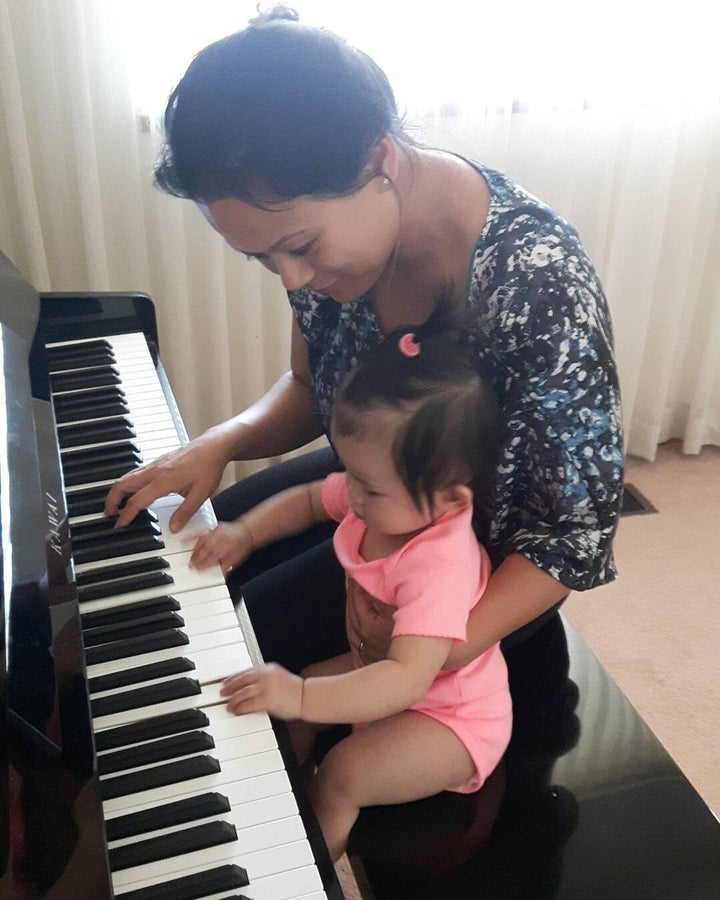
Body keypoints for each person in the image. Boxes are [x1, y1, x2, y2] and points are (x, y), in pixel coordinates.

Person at [104, 6, 623, 679]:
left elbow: (569, 540)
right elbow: (304, 387)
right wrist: (219, 443)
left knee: (238, 632)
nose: (293, 279)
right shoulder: (330, 251)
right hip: (376, 485)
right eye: (260, 258)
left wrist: (430, 655)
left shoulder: (538, 282)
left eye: (299, 247)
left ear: (378, 157)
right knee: (190, 556)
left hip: (482, 562)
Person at [188, 322, 513, 861]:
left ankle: (307, 866)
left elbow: (408, 679)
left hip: (451, 719)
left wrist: (298, 694)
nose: (352, 494)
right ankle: (273, 793)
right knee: (302, 697)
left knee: (343, 773)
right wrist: (245, 533)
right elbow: (312, 501)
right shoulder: (382, 498)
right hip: (381, 671)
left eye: (369, 487)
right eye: (351, 473)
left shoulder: (440, 564)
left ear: (451, 501)